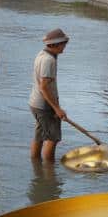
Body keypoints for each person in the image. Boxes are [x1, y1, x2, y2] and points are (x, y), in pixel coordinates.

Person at [29, 29, 69, 162]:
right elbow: (44, 87)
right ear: (56, 44)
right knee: (53, 138)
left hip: (35, 103)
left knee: (39, 136)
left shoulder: (41, 54)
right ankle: (49, 171)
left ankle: (36, 165)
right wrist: (57, 108)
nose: (64, 47)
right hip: (44, 105)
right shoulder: (48, 60)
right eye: (63, 44)